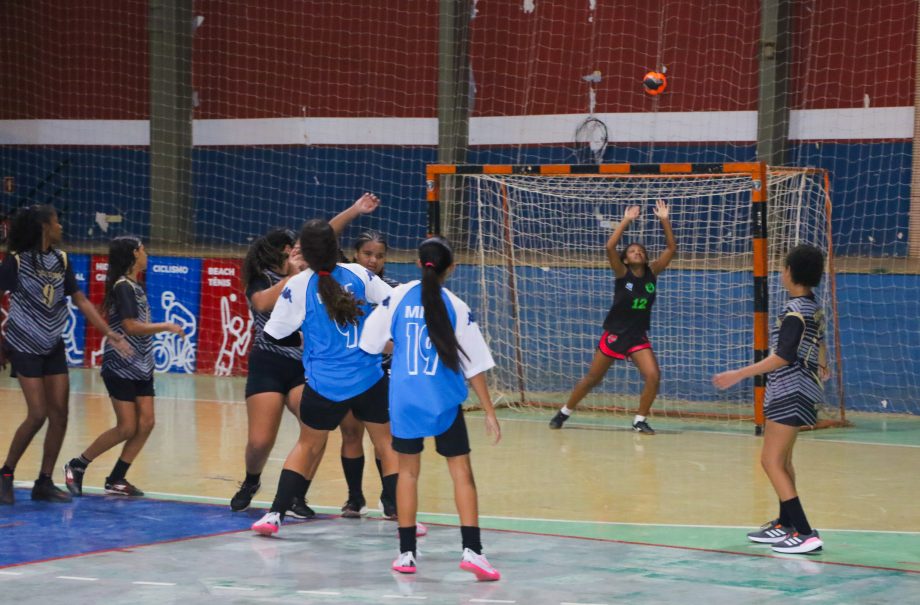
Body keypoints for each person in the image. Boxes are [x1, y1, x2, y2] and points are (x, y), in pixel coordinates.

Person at [230, 193, 383, 518]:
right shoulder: (275, 280)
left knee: (314, 427)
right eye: (293, 251)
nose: (298, 253)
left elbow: (323, 235)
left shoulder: (317, 277)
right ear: (282, 256)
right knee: (260, 441)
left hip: (304, 367)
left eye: (303, 250)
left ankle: (294, 496)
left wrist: (354, 209)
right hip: (269, 364)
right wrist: (297, 276)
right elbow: (262, 304)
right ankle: (251, 480)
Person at [360, 236, 502, 581]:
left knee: (407, 473)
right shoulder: (455, 305)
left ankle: (406, 554)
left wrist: (405, 344)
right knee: (461, 473)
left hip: (405, 398)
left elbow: (369, 342)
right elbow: (475, 365)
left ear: (417, 262)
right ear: (450, 268)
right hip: (442, 400)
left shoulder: (396, 297)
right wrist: (489, 411)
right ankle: (473, 551)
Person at [250, 218, 400, 536]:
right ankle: (400, 513)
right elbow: (394, 304)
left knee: (307, 445)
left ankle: (274, 514)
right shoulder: (361, 275)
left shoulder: (298, 285)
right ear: (338, 249)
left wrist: (306, 341)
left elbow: (274, 335)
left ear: (305, 252)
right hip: (368, 378)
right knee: (386, 443)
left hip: (324, 384)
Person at [0, 205, 131, 505]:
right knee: (37, 413)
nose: (61, 226)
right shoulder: (16, 262)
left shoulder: (61, 259)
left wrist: (107, 332)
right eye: (56, 221)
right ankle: (5, 472)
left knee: (60, 414)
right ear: (44, 226)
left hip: (52, 344)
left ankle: (44, 481)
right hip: (23, 344)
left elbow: (81, 300)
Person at [713, 244, 827, 554]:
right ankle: (785, 523)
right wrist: (822, 365)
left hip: (790, 390)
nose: (780, 273)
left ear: (790, 272)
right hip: (802, 389)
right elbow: (818, 344)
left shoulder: (794, 313)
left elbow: (782, 357)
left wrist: (738, 373)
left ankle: (805, 532)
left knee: (770, 461)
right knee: (784, 461)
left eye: (782, 268)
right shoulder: (812, 306)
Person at [63, 236, 185, 497]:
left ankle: (117, 478)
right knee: (127, 427)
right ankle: (77, 464)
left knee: (148, 422)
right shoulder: (123, 286)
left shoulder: (135, 285)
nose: (146, 253)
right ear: (133, 254)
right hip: (120, 366)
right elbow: (130, 326)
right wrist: (167, 326)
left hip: (141, 365)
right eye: (142, 249)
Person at [549, 201, 676, 434]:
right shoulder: (622, 273)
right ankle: (564, 411)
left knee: (653, 375)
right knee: (592, 379)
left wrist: (664, 219)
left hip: (637, 337)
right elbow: (610, 247)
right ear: (626, 259)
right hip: (615, 335)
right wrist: (626, 220)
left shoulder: (652, 273)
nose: (637, 252)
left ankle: (639, 419)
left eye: (641, 251)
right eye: (632, 251)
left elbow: (670, 248)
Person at [339, 229, 399, 518]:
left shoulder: (394, 290)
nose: (373, 260)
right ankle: (354, 497)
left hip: (384, 373)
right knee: (351, 433)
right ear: (355, 255)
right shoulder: (342, 288)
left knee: (383, 438)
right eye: (367, 254)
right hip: (350, 371)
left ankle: (390, 498)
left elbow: (401, 335)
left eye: (379, 255)